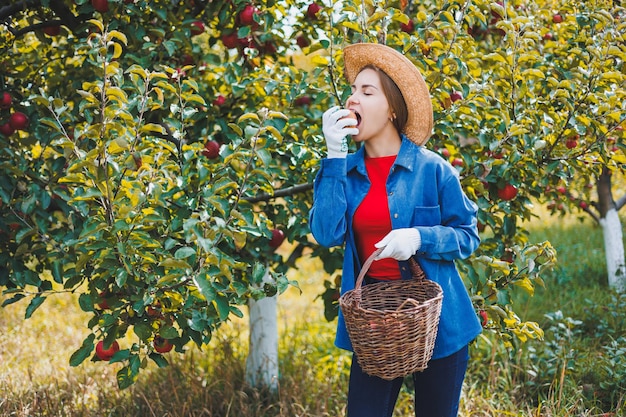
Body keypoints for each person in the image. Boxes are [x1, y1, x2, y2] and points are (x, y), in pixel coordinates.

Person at [309, 43, 482, 417]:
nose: (353, 99)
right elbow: (325, 233)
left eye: (366, 91)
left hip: (439, 324)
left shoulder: (432, 169)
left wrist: (419, 238)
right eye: (352, 90)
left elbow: (467, 235)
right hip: (374, 326)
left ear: (391, 109)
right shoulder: (344, 171)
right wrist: (334, 156)